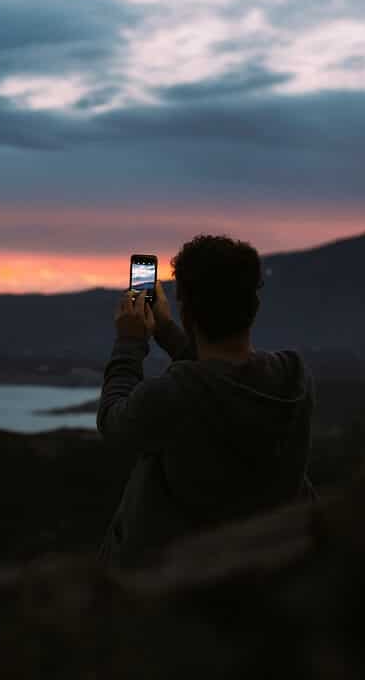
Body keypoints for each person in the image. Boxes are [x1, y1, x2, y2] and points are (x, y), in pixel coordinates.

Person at [97, 234, 314, 569]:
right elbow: (223, 379)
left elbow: (113, 423)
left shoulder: (174, 394)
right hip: (266, 569)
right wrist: (167, 331)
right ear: (253, 306)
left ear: (187, 311)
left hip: (175, 580)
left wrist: (130, 342)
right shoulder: (292, 379)